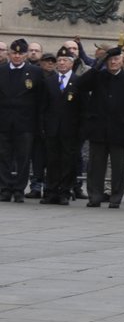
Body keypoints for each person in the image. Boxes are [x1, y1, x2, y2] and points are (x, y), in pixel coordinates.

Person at [78, 44, 124, 207]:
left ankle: (115, 197)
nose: (113, 62)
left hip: (120, 130)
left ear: (122, 60)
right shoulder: (98, 76)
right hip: (98, 130)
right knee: (95, 168)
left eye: (116, 59)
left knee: (119, 168)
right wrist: (98, 65)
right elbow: (81, 85)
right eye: (110, 60)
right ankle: (95, 196)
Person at [0, 38, 45, 203]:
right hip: (4, 122)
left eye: (20, 53)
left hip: (25, 123)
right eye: (14, 53)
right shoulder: (2, 70)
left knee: (23, 158)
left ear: (25, 55)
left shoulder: (35, 72)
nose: (17, 56)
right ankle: (4, 189)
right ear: (10, 53)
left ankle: (19, 189)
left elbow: (40, 99)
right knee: (4, 157)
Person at [39, 50, 83, 205]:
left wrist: (81, 130)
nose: (62, 63)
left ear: (72, 63)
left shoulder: (78, 81)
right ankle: (50, 191)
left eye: (65, 60)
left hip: (70, 130)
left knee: (67, 162)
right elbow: (43, 106)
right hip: (52, 129)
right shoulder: (50, 81)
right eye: (60, 60)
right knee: (52, 161)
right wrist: (43, 126)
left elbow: (82, 108)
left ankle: (64, 191)